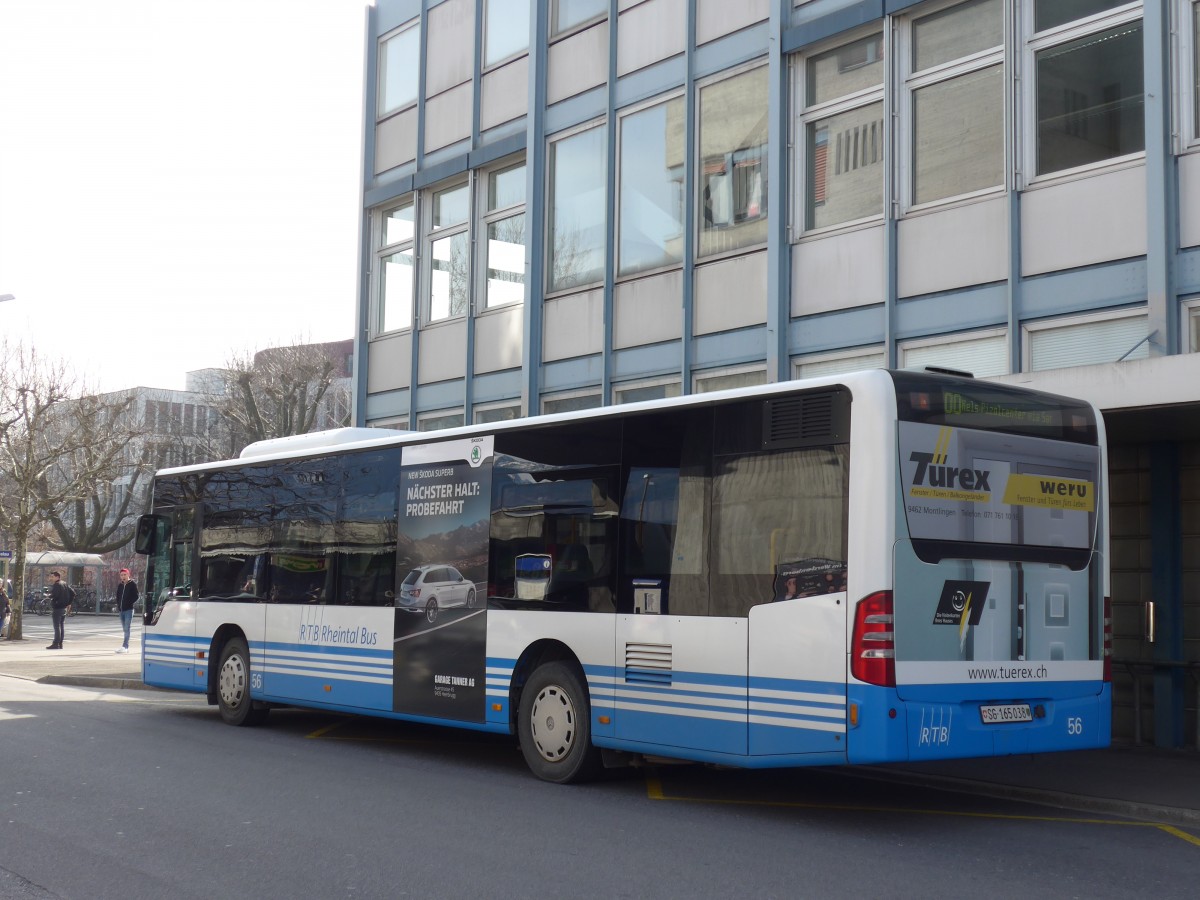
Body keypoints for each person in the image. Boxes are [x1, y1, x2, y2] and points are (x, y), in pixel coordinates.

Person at [113, 568, 140, 653]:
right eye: (122, 575)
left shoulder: (132, 584)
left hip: (128, 610)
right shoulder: (120, 585)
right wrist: (118, 605)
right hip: (121, 610)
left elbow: (136, 596)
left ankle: (125, 646)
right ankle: (125, 647)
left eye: (125, 574)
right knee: (125, 629)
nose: (123, 576)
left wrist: (129, 602)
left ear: (128, 575)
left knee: (126, 628)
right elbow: (118, 596)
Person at [47, 571, 74, 649]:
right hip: (64, 608)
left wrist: (49, 596)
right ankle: (60, 643)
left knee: (56, 626)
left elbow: (55, 595)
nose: (51, 578)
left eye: (52, 577)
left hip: (57, 607)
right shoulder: (65, 584)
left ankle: (56, 643)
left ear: (57, 577)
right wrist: (69, 603)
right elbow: (73, 593)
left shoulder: (57, 585)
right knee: (61, 626)